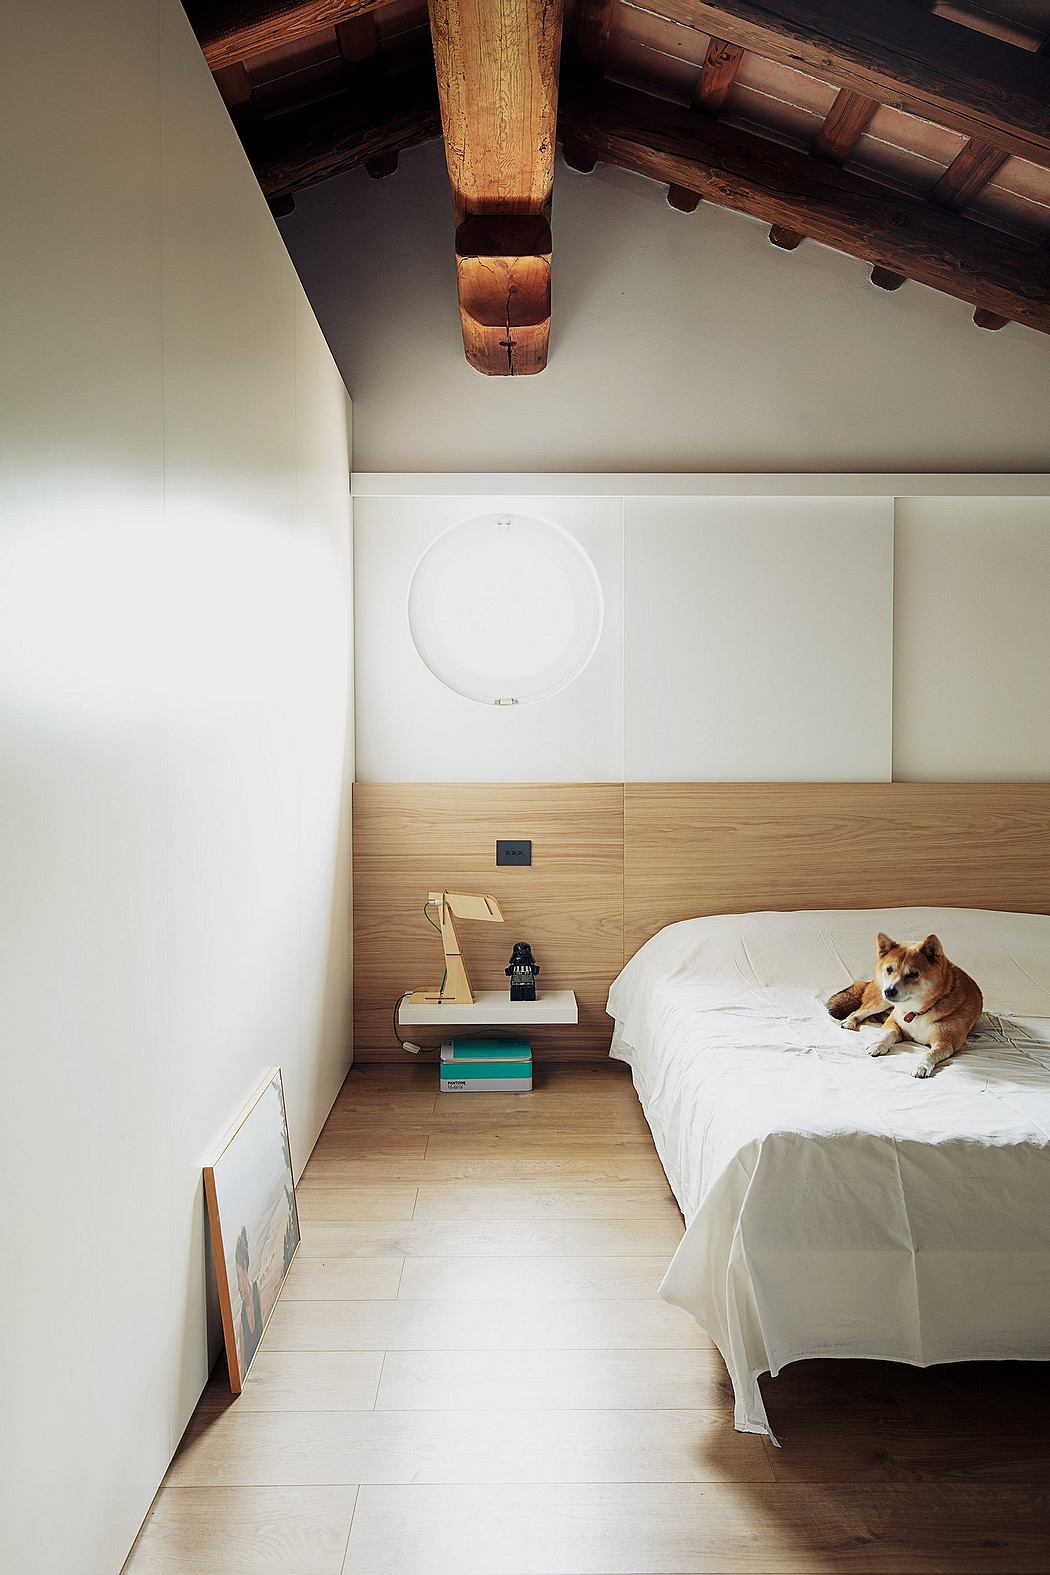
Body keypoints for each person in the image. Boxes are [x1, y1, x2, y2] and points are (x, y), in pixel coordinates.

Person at [234, 1226, 263, 1374]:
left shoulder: (257, 1292)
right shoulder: (241, 1322)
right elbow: (242, 1371)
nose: (237, 1285)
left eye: (238, 1276)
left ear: (245, 1267)